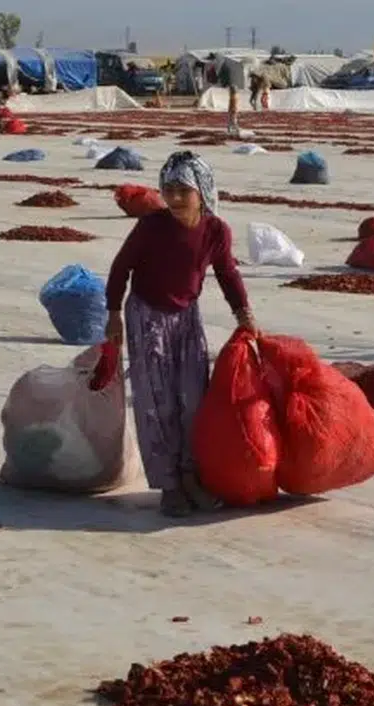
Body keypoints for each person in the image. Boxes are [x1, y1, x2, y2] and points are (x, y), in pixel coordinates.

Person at [104, 151, 256, 518]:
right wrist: (114, 315)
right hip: (148, 316)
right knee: (158, 403)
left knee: (193, 398)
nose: (172, 199)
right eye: (167, 190)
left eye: (181, 191)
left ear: (202, 192)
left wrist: (244, 314)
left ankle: (191, 475)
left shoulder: (216, 231)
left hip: (187, 317)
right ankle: (169, 485)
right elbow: (121, 268)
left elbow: (227, 273)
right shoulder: (151, 227)